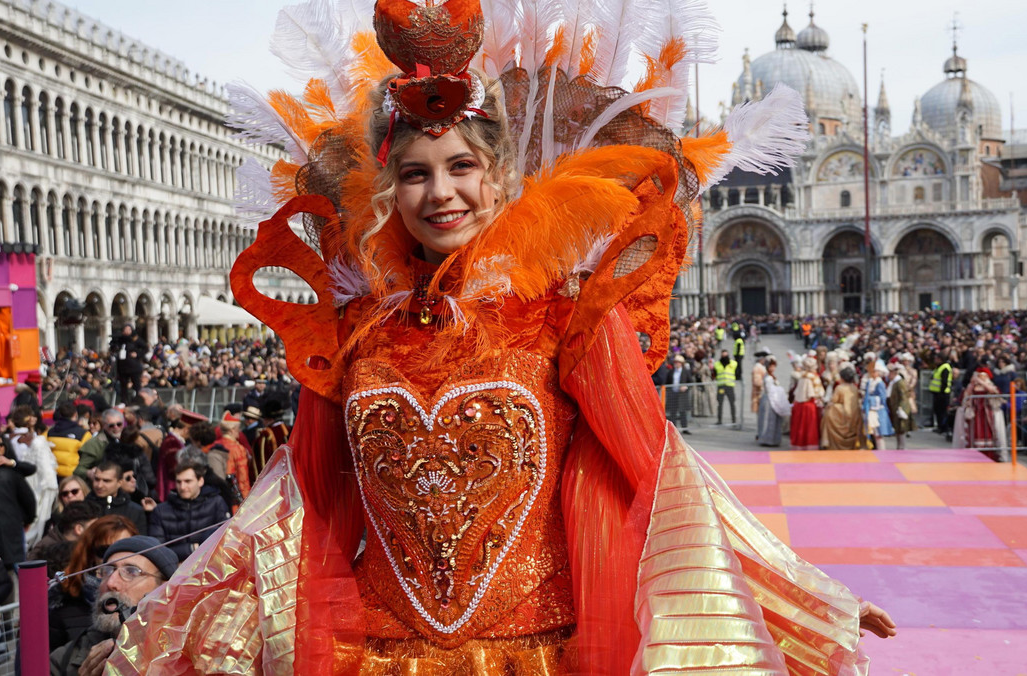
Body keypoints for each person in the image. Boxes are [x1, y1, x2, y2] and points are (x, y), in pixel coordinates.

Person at [108, 3, 893, 672]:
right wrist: (180, 616)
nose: (441, 193)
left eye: (460, 166)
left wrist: (798, 597)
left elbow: (663, 480)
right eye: (415, 173)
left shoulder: (567, 314)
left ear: (498, 177)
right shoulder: (355, 332)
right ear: (390, 190)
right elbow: (300, 501)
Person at [51, 536, 177, 676]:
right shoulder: (64, 659)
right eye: (107, 571)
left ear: (163, 587)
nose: (111, 583)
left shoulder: (186, 648)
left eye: (131, 571)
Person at [48, 514, 139, 651]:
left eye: (125, 551)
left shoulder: (149, 595)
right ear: (90, 553)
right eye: (104, 551)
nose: (114, 557)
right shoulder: (62, 601)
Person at [148, 462, 231, 562]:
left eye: (188, 481)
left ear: (200, 481)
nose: (182, 487)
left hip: (210, 566)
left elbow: (226, 541)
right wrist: (192, 548)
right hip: (174, 569)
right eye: (179, 482)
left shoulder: (217, 503)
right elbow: (157, 550)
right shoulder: (161, 511)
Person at [5, 406, 59, 549]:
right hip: (35, 481)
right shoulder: (31, 440)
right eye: (31, 416)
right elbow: (34, 463)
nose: (34, 418)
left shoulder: (11, 437)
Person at [0, 430, 36, 571]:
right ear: (0, 447)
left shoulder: (10, 469)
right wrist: (29, 519)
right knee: (19, 573)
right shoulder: (10, 471)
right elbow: (28, 499)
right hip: (12, 529)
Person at [952, 369, 1008, 459]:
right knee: (974, 433)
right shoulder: (972, 386)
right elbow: (965, 396)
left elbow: (994, 392)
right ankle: (973, 455)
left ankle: (989, 454)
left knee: (989, 434)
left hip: (987, 414)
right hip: (975, 414)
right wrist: (973, 383)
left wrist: (982, 382)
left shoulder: (990, 386)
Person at [86, 460, 148, 534]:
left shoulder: (135, 511)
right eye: (97, 479)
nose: (99, 485)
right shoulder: (83, 508)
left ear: (119, 483)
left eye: (106, 481)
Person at [74, 408, 126, 481]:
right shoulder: (94, 444)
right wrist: (89, 473)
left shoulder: (128, 440)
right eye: (111, 425)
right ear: (104, 425)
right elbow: (78, 470)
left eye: (119, 424)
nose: (116, 427)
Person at [821, 366, 864, 450]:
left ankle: (828, 443)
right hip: (854, 416)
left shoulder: (839, 388)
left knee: (828, 413)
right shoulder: (854, 388)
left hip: (841, 417)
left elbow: (833, 401)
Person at [48, 401, 91, 478]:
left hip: (52, 474)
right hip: (73, 475)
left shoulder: (49, 432)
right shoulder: (83, 434)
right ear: (75, 415)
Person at [109, 324, 148, 404]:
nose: (127, 331)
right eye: (125, 329)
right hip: (122, 366)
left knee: (136, 385)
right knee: (123, 386)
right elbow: (112, 347)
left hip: (133, 366)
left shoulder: (135, 339)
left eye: (128, 329)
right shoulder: (119, 339)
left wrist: (137, 354)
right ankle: (124, 401)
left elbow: (145, 348)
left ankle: (139, 401)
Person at [790, 357, 824, 449]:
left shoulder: (802, 377)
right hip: (809, 405)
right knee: (809, 428)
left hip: (799, 405)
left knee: (800, 427)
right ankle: (809, 445)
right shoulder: (812, 377)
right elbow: (815, 393)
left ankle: (800, 445)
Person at [756, 359, 791, 446]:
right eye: (771, 366)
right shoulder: (768, 377)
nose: (773, 368)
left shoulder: (771, 376)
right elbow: (769, 390)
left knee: (773, 420)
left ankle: (773, 439)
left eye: (774, 366)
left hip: (773, 398)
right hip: (769, 400)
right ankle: (766, 439)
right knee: (767, 420)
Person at [252, 399, 291, 475]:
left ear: (269, 419)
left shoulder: (266, 436)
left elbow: (261, 464)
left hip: (272, 480)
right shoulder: (290, 430)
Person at [862, 361, 894, 450]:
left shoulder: (880, 383)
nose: (873, 373)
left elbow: (882, 397)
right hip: (870, 409)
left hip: (877, 410)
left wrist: (872, 401)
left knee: (878, 433)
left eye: (875, 371)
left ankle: (881, 450)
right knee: (872, 432)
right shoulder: (870, 382)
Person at [660, 354, 694, 434]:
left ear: (681, 363)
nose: (676, 363)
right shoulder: (671, 371)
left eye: (678, 362)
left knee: (683, 411)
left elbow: (691, 382)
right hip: (673, 394)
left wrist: (686, 387)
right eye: (675, 362)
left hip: (682, 394)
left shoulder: (685, 371)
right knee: (673, 412)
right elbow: (667, 382)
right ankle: (673, 429)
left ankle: (685, 428)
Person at [887, 363, 916, 450]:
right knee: (897, 428)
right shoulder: (894, 382)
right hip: (895, 407)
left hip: (899, 408)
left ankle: (902, 447)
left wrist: (901, 408)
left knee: (901, 427)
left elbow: (903, 396)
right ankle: (899, 446)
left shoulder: (899, 383)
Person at [929, 350, 954, 434]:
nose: (935, 360)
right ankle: (940, 427)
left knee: (942, 412)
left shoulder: (945, 367)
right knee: (938, 411)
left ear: (940, 359)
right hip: (937, 393)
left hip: (942, 393)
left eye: (936, 358)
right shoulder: (939, 367)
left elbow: (945, 382)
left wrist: (941, 392)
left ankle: (943, 428)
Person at [713, 349, 738, 425]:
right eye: (723, 355)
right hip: (721, 386)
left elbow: (737, 373)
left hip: (730, 386)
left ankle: (734, 420)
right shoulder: (717, 364)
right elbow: (714, 374)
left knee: (732, 403)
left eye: (725, 355)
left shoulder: (733, 363)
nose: (724, 357)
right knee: (720, 403)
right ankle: (719, 420)